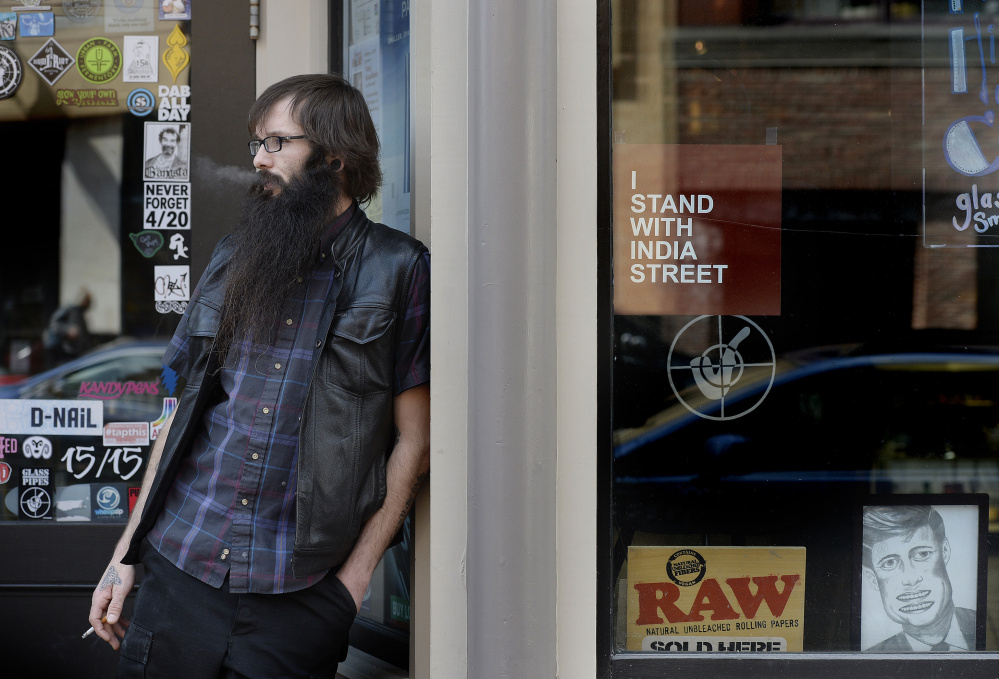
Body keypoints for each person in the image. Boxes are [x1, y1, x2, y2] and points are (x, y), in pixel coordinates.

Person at [89, 73, 431, 678]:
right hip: (179, 566)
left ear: (335, 156)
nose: (258, 159)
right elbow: (179, 408)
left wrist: (352, 582)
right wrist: (126, 555)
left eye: (276, 143)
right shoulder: (233, 255)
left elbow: (416, 438)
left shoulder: (398, 268)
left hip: (299, 594)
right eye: (257, 143)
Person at [862, 505, 976, 652]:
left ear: (945, 551)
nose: (910, 579)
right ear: (872, 579)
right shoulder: (871, 660)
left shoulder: (984, 625)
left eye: (922, 554)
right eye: (889, 563)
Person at [42, 288, 92, 368]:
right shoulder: (70, 308)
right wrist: (67, 330)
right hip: (65, 352)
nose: (89, 304)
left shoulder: (80, 312)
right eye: (88, 301)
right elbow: (53, 322)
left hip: (77, 352)